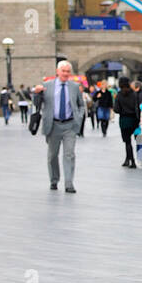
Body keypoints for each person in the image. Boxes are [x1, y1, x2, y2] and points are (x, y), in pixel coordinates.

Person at [41, 60, 86, 193]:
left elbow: (80, 104)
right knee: (52, 155)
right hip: (53, 124)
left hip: (69, 125)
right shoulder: (47, 85)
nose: (65, 74)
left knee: (69, 154)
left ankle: (69, 183)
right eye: (63, 71)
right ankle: (54, 180)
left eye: (68, 71)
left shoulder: (74, 86)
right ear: (57, 71)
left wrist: (79, 116)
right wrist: (36, 94)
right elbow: (38, 102)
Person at [112, 76, 140, 168]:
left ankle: (132, 161)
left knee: (127, 142)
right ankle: (127, 159)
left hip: (124, 120)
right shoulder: (134, 94)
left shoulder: (119, 95)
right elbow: (137, 107)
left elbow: (116, 109)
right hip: (134, 120)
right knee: (134, 140)